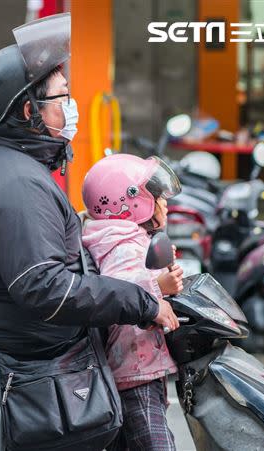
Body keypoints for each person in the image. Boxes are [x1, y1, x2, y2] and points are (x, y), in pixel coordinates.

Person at [0, 14, 179, 450]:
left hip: (44, 355)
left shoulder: (15, 167)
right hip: (37, 369)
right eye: (62, 97)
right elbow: (44, 286)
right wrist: (139, 302)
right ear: (28, 111)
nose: (71, 106)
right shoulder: (17, 183)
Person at [81, 154, 184, 451]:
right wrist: (159, 285)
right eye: (158, 197)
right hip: (134, 368)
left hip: (137, 365)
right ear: (130, 202)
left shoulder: (126, 237)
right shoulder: (122, 244)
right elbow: (120, 291)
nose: (165, 203)